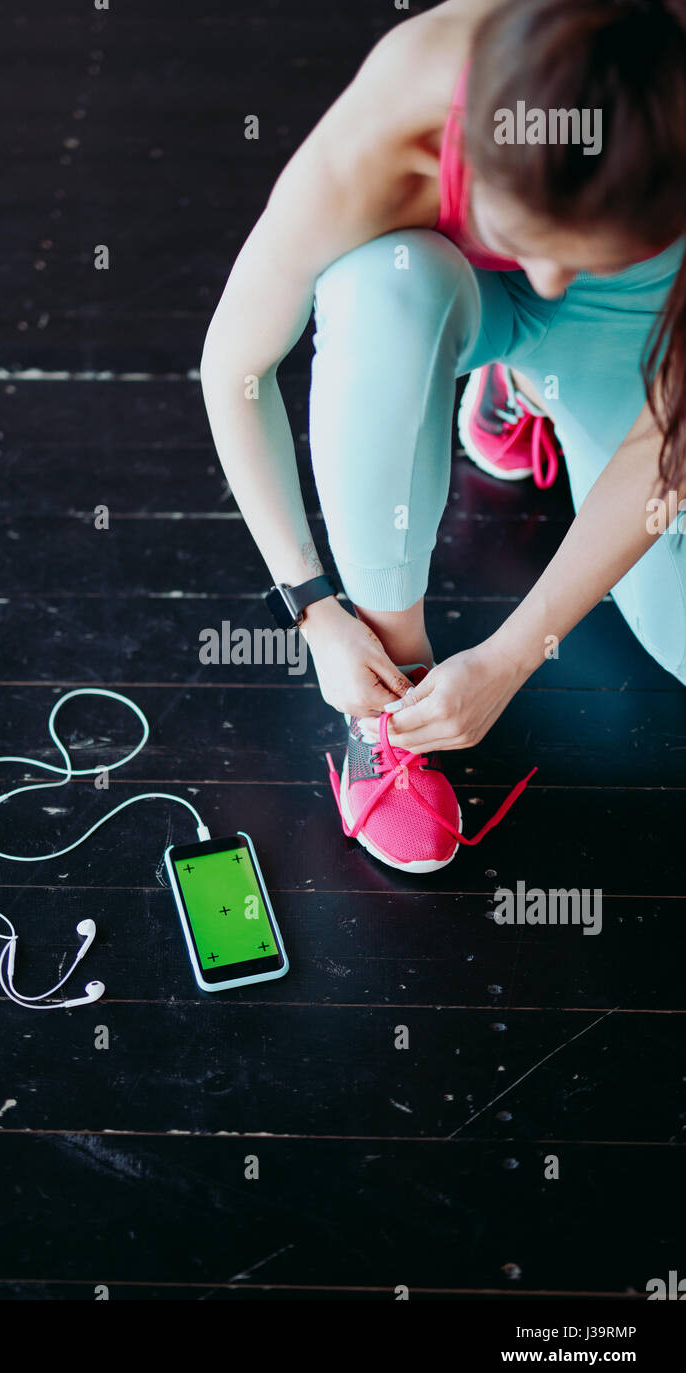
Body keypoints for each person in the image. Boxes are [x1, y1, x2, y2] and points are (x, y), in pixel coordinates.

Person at [200, 0, 686, 872]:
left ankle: (535, 380)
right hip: (438, 289)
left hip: (634, 325)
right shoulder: (386, 130)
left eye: (589, 252)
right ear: (454, 150)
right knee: (383, 285)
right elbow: (233, 372)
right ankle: (393, 694)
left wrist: (510, 657)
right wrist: (314, 611)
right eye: (527, 237)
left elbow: (670, 444)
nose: (551, 276)